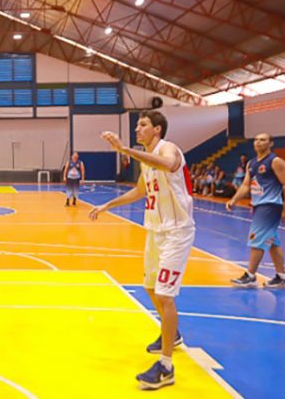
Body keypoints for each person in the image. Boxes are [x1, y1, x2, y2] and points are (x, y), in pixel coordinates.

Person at [87, 111, 195, 390]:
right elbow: (138, 192)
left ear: (157, 130)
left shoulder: (167, 148)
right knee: (149, 286)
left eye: (143, 124)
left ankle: (166, 367)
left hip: (176, 232)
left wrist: (125, 150)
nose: (137, 128)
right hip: (155, 231)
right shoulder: (146, 162)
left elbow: (169, 163)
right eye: (137, 125)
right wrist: (106, 206)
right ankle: (172, 333)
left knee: (164, 294)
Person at [227, 133, 285, 290]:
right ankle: (282, 277)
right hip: (258, 205)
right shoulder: (251, 163)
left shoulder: (275, 161)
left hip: (270, 206)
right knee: (273, 243)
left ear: (270, 143)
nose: (258, 142)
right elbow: (245, 185)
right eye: (256, 139)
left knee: (256, 240)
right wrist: (234, 199)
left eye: (263, 139)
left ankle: (250, 276)